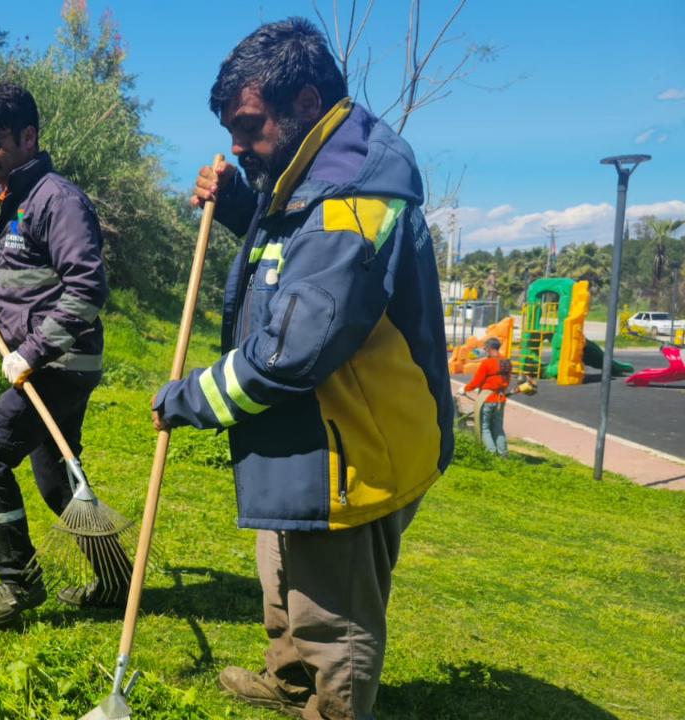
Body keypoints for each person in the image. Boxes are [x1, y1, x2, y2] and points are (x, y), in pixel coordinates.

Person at [151, 18, 453, 720]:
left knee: (332, 614)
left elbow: (291, 353)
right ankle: (288, 681)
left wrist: (189, 398)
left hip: (355, 447)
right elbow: (290, 257)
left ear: (307, 104)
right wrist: (238, 208)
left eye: (250, 126)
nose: (237, 144)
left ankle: (333, 708)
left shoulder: (356, 198)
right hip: (308, 437)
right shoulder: (315, 174)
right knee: (281, 576)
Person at [0, 83, 126, 630]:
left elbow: (86, 288)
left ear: (29, 136)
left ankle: (18, 584)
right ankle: (115, 580)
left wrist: (31, 352)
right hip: (47, 365)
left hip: (57, 366)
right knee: (58, 479)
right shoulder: (17, 202)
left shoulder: (56, 200)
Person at [464, 337, 511, 456]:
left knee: (484, 427)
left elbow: (477, 381)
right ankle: (503, 454)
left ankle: (491, 454)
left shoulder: (487, 363)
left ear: (489, 348)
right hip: (501, 398)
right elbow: (507, 380)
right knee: (498, 428)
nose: (484, 351)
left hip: (488, 398)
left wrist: (466, 389)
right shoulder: (506, 361)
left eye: (485, 348)